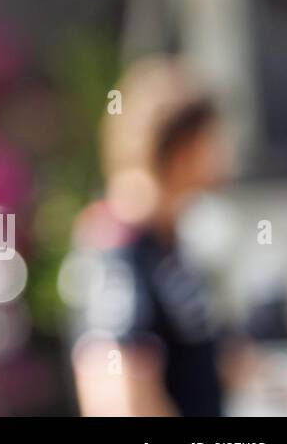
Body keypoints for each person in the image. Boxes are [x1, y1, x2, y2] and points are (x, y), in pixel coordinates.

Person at [69, 56, 233, 416]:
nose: (225, 154)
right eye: (212, 140)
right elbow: (115, 395)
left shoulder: (168, 243)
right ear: (181, 149)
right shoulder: (118, 248)